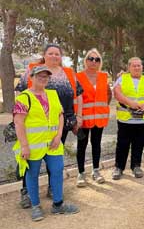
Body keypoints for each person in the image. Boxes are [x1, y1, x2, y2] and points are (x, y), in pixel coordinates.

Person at [15, 43, 83, 207]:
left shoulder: (68, 73)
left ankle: (53, 188)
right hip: (35, 126)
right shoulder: (34, 70)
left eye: (57, 54)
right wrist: (18, 114)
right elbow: (19, 91)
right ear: (44, 55)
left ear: (61, 57)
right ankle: (26, 193)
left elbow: (79, 94)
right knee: (31, 160)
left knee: (54, 158)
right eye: (51, 53)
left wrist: (79, 115)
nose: (54, 56)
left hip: (61, 123)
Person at [112, 57, 144, 179]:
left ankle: (136, 166)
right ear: (129, 67)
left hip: (143, 118)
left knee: (139, 143)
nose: (137, 68)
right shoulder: (122, 78)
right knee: (122, 143)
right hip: (125, 118)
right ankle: (119, 167)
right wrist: (130, 103)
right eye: (134, 66)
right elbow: (117, 93)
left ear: (142, 67)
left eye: (139, 65)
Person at [75, 49, 112, 187]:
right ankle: (81, 173)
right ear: (86, 60)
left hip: (99, 118)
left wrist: (102, 108)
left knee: (96, 144)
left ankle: (96, 171)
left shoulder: (103, 76)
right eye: (91, 58)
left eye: (97, 59)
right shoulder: (78, 76)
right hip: (83, 119)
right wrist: (77, 116)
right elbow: (75, 97)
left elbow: (108, 94)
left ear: (100, 62)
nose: (94, 62)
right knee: (82, 146)